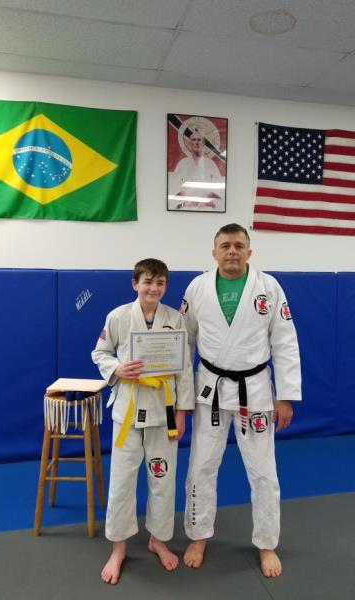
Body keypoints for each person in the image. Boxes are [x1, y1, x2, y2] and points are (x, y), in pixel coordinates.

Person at [180, 223, 301, 578]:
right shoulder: (197, 288)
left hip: (256, 391)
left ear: (249, 251)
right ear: (214, 252)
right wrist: (182, 397)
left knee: (263, 472)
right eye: (225, 245)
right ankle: (198, 535)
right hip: (211, 391)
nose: (232, 251)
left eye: (238, 245)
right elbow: (184, 343)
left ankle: (267, 543)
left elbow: (285, 341)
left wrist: (286, 396)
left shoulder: (269, 287)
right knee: (201, 467)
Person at [92, 258, 194, 585]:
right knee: (122, 481)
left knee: (163, 479)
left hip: (165, 410)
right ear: (135, 283)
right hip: (128, 410)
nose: (154, 288)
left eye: (160, 283)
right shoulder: (119, 316)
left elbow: (185, 369)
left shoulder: (175, 319)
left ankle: (158, 540)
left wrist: (182, 412)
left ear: (166, 287)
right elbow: (100, 353)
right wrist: (117, 369)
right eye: (148, 281)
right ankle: (118, 548)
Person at [169, 129, 224, 211]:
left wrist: (206, 199)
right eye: (194, 140)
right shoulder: (183, 163)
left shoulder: (210, 164)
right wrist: (186, 200)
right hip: (186, 206)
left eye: (199, 140)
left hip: (206, 206)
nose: (196, 142)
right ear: (189, 143)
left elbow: (218, 184)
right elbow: (175, 185)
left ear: (203, 143)